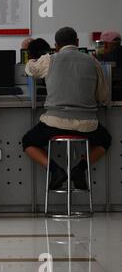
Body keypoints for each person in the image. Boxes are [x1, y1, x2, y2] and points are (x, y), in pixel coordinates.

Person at [22, 27, 112, 190]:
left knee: (28, 141)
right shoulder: (93, 61)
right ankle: (79, 169)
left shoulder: (50, 59)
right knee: (105, 140)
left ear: (56, 46)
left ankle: (56, 171)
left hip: (54, 124)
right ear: (77, 42)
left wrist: (31, 61)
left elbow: (30, 70)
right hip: (87, 125)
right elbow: (103, 97)